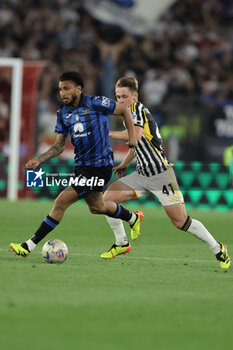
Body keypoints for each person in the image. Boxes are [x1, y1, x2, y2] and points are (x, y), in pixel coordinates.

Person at [100, 76, 231, 270]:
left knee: (180, 221)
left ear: (135, 96)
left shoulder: (138, 111)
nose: (120, 101)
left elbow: (134, 137)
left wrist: (108, 134)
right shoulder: (130, 114)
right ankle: (122, 243)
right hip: (142, 174)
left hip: (160, 175)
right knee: (106, 201)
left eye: (124, 96)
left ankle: (218, 248)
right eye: (118, 97)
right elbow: (136, 145)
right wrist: (124, 164)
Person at [9, 71, 143, 257]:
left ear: (78, 89)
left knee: (61, 202)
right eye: (60, 89)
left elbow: (125, 111)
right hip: (82, 166)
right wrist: (39, 159)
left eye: (66, 88)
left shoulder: (96, 103)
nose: (62, 93)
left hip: (100, 165)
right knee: (98, 207)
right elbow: (59, 146)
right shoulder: (63, 113)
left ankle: (28, 246)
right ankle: (133, 217)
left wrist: (132, 139)